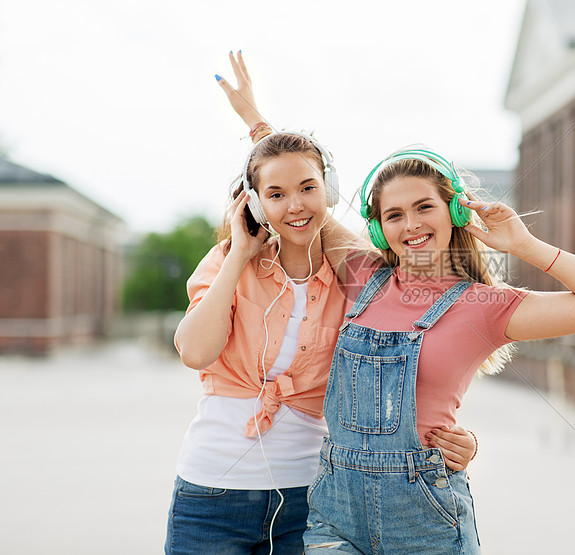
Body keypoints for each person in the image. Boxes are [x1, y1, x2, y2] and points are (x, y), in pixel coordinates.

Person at [164, 53, 477, 555]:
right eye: (276, 194)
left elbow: (421, 358)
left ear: (328, 191)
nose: (295, 205)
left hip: (311, 499)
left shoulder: (356, 277)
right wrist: (241, 252)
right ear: (254, 202)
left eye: (309, 188)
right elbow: (196, 352)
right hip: (210, 495)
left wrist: (459, 440)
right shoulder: (227, 261)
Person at [302, 149, 575, 553]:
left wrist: (525, 245)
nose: (411, 225)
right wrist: (255, 124)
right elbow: (299, 191)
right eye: (394, 215)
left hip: (423, 516)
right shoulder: (362, 275)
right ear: (378, 230)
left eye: (424, 207)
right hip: (335, 510)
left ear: (455, 213)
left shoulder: (487, 307)